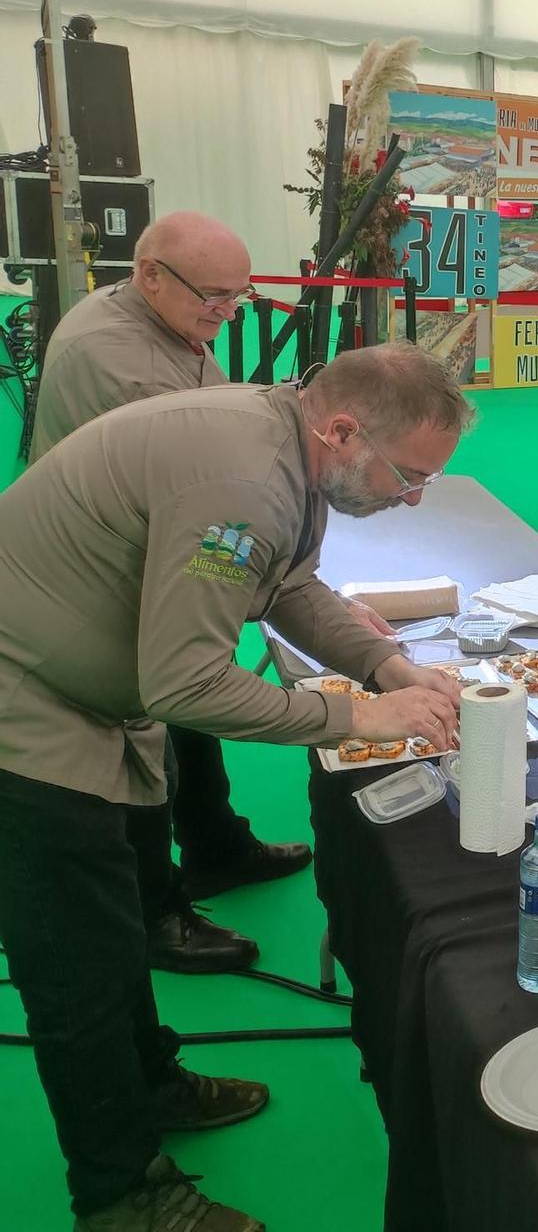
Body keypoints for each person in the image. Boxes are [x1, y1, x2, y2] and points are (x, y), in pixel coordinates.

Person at [0, 344, 472, 1232]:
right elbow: (182, 685)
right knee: (80, 969)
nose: (415, 496)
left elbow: (289, 581)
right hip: (23, 708)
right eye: (411, 475)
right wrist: (353, 718)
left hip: (80, 690)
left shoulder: (287, 442)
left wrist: (386, 661)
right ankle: (121, 1196)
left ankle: (149, 1082)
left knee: (124, 911)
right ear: (341, 429)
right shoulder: (245, 486)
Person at [28, 212, 316, 974]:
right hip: (96, 578)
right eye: (214, 295)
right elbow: (202, 479)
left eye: (239, 295)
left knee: (190, 706)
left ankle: (217, 842)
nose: (227, 311)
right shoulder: (113, 356)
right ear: (150, 273)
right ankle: (156, 911)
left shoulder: (170, 323)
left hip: (145, 548)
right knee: (150, 728)